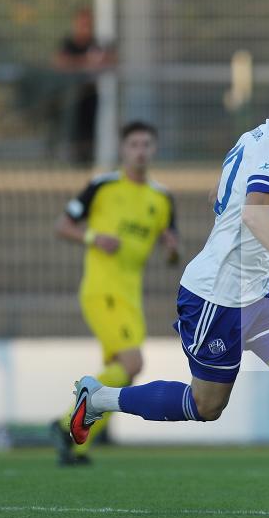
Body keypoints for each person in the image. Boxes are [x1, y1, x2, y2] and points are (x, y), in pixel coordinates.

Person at [65, 61, 269, 518]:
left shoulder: (253, 139)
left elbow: (217, 198)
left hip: (256, 292)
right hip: (216, 298)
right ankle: (99, 398)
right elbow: (254, 215)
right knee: (207, 406)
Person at [51, 120, 179, 465]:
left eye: (146, 144)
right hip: (101, 289)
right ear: (123, 150)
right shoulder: (102, 185)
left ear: (154, 150)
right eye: (134, 144)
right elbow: (62, 226)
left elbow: (171, 253)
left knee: (123, 369)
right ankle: (65, 425)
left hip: (130, 296)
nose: (140, 150)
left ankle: (76, 446)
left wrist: (171, 250)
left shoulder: (162, 198)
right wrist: (93, 238)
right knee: (132, 362)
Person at [52, 7, 116, 165]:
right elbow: (60, 62)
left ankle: (87, 159)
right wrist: (86, 62)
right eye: (82, 23)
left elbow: (109, 61)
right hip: (71, 96)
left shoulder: (96, 44)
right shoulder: (69, 43)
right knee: (72, 130)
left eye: (88, 23)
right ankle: (70, 158)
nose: (85, 27)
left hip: (90, 93)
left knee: (89, 131)